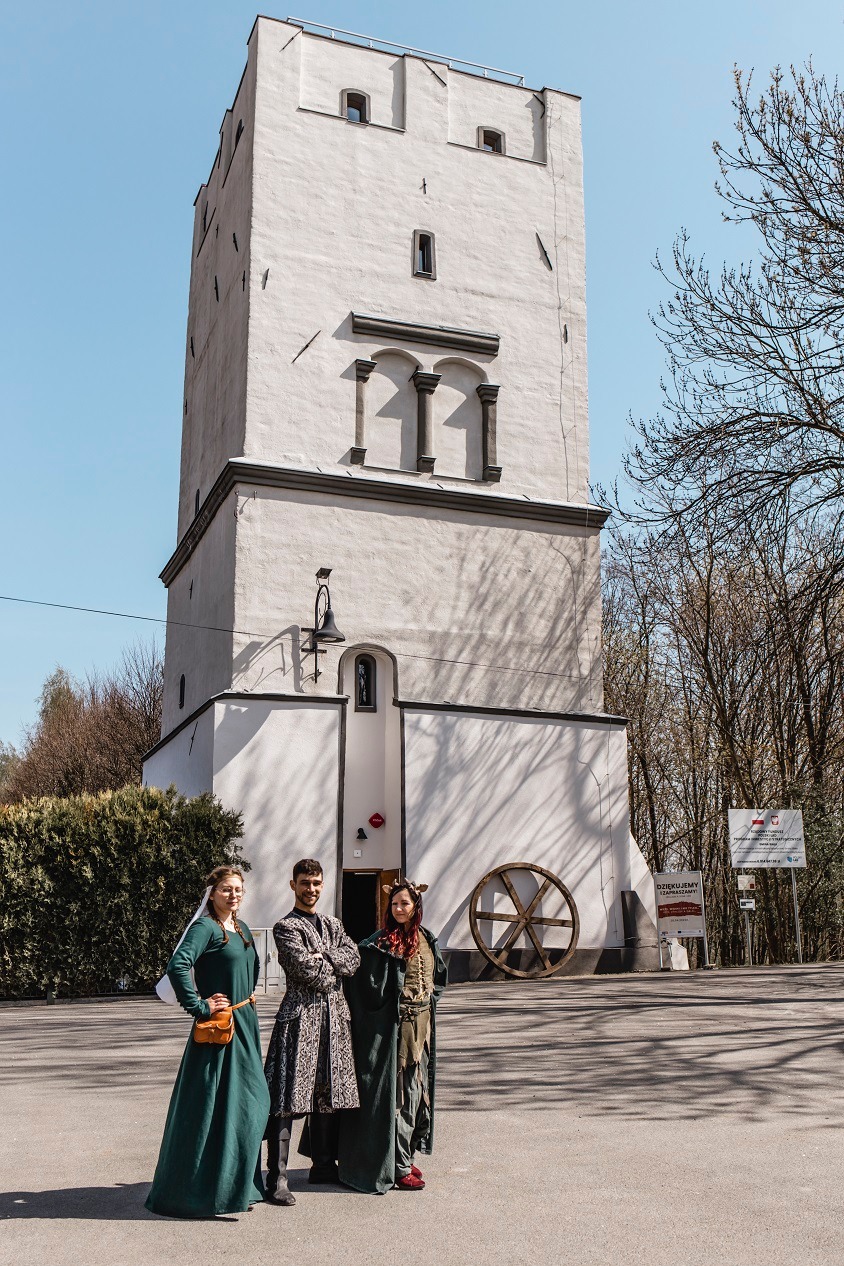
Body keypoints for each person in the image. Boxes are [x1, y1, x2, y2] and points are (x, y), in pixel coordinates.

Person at [145, 865, 271, 1218]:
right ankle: (196, 1192)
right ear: (212, 893)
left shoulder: (242, 928)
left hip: (244, 1024)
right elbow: (178, 966)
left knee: (248, 1105)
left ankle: (237, 1186)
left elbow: (252, 964)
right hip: (218, 1029)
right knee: (210, 1109)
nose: (233, 895)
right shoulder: (206, 927)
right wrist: (199, 1005)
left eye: (238, 889)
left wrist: (246, 994)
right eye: (226, 889)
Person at [339, 878, 448, 1194]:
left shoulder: (425, 938)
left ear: (416, 907)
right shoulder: (380, 942)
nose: (399, 909)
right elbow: (363, 986)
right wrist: (388, 1013)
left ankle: (404, 1155)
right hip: (393, 1034)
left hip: (422, 1030)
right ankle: (397, 1166)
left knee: (417, 1096)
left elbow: (438, 977)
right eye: (395, 904)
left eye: (405, 904)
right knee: (397, 1099)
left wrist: (428, 1002)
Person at [263, 858, 360, 1206]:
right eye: (305, 882)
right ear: (293, 885)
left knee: (328, 1092)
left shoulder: (334, 923)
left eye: (317, 883)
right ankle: (277, 1178)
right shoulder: (285, 927)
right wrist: (332, 961)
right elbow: (308, 971)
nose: (311, 889)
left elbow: (354, 960)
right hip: (299, 1020)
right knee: (288, 1096)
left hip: (334, 1019)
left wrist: (326, 958)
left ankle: (323, 1165)